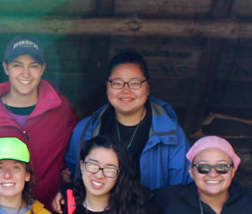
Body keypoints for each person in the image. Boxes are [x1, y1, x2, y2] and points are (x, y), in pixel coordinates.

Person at [64, 50, 192, 191]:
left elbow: (180, 191)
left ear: (148, 87)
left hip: (152, 212)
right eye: (117, 83)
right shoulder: (85, 129)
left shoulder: (171, 133)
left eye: (135, 83)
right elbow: (73, 174)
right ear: (107, 86)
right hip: (96, 212)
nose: (126, 91)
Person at [0, 35, 78, 206]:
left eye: (33, 66)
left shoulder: (61, 108)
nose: (25, 73)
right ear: (6, 68)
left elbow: (77, 148)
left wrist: (69, 177)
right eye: (17, 65)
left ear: (43, 68)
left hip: (49, 210)